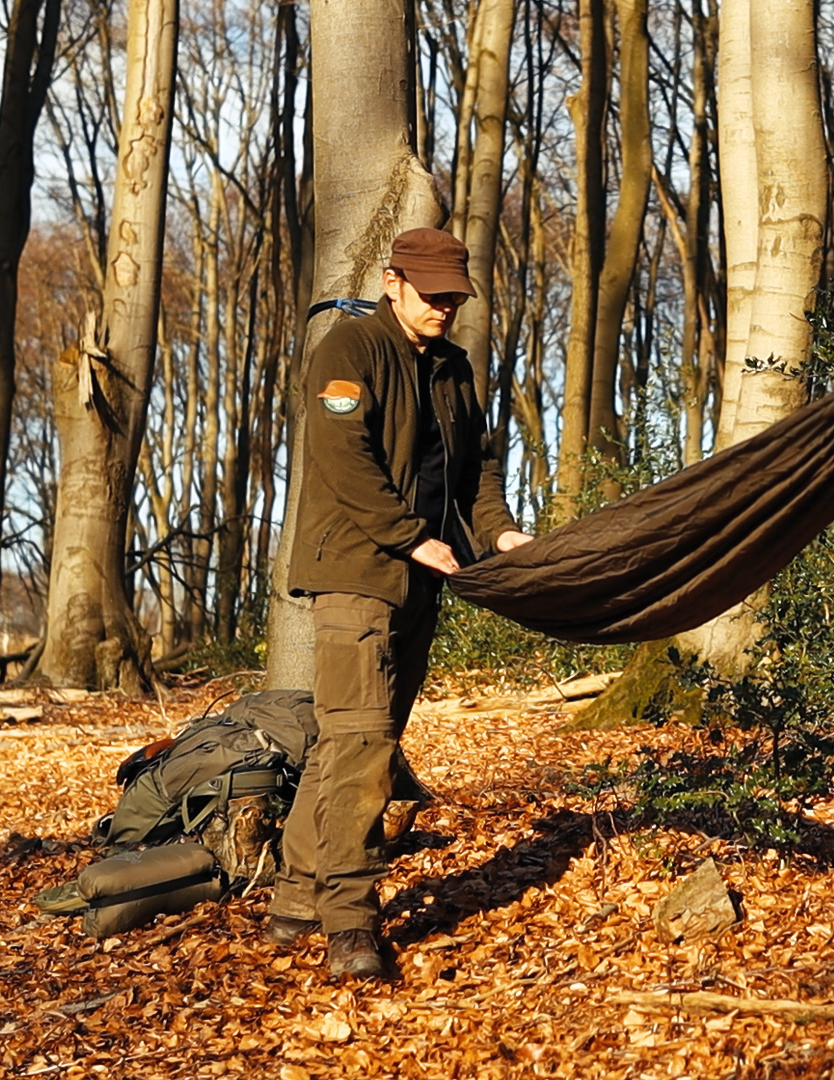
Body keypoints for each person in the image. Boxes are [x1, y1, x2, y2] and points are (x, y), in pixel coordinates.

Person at [268, 227, 532, 979]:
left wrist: (501, 531)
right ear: (393, 282)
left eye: (456, 295)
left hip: (424, 579)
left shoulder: (453, 367)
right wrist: (412, 536)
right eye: (432, 293)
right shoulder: (348, 350)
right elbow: (342, 460)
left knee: (347, 742)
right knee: (362, 747)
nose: (446, 307)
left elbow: (475, 464)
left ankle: (292, 902)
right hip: (356, 576)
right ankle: (349, 924)